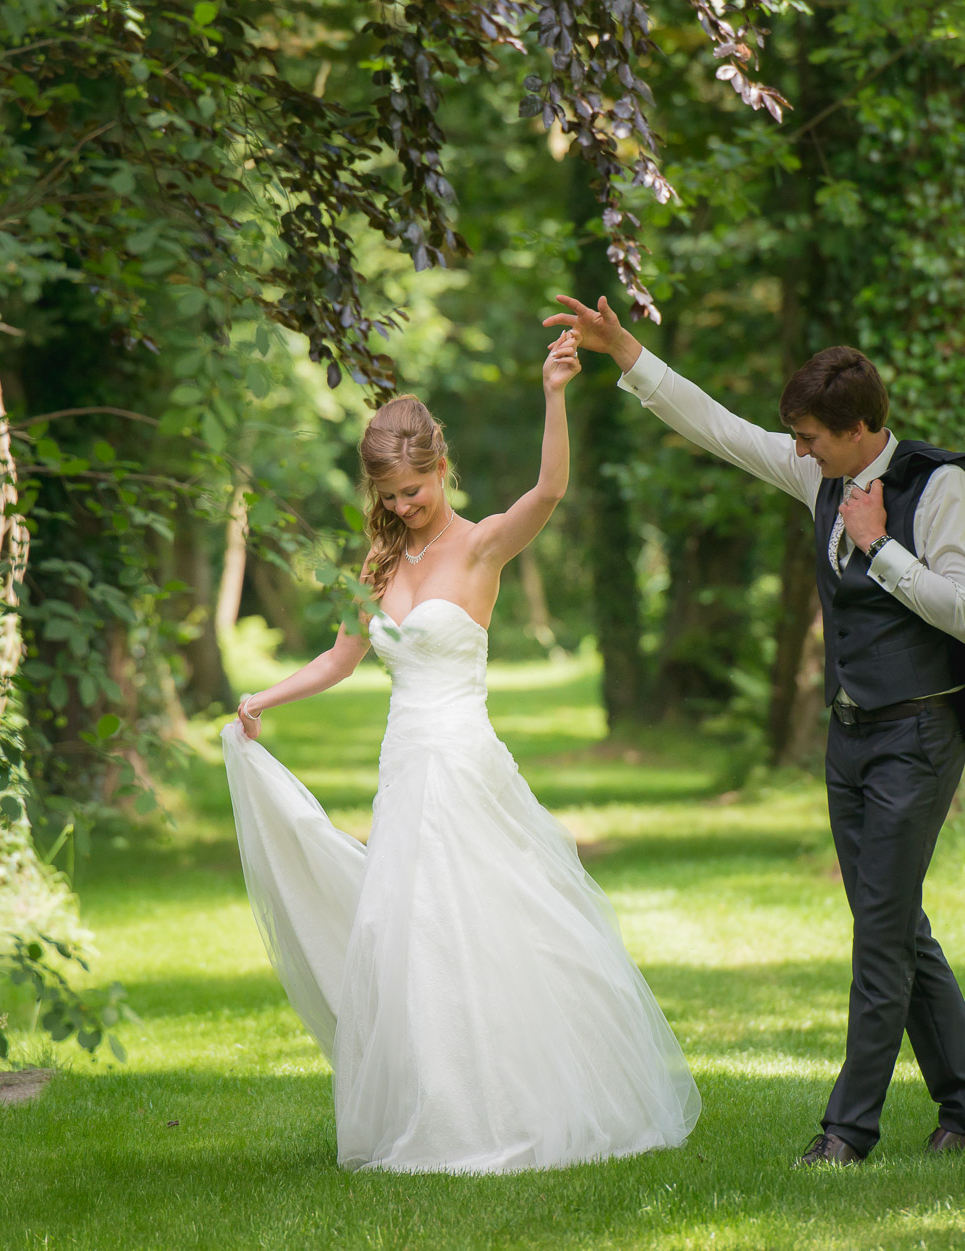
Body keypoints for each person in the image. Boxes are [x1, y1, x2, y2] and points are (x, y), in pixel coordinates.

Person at [545, 294, 965, 1167]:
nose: (797, 450)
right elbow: (718, 427)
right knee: (896, 924)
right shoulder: (817, 476)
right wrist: (624, 352)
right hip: (851, 737)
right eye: (795, 437)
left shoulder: (941, 488)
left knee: (879, 932)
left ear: (863, 425)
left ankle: (847, 1130)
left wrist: (879, 547)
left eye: (811, 436)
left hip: (919, 734)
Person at [221, 329, 700, 1174]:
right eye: (389, 495)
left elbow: (549, 490)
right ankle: (431, 1109)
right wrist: (263, 696)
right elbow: (342, 657)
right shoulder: (377, 560)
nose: (403, 506)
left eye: (413, 489)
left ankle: (510, 1108)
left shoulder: (481, 545)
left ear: (439, 467)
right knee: (406, 937)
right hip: (405, 767)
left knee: (476, 926)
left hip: (464, 762)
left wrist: (553, 392)